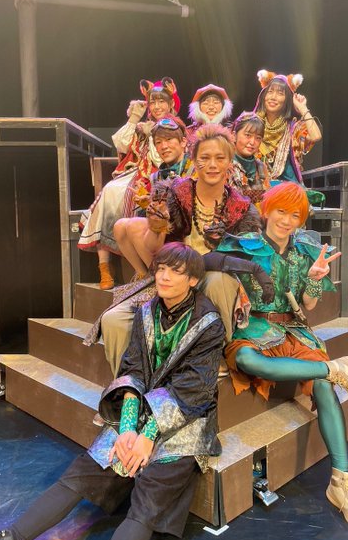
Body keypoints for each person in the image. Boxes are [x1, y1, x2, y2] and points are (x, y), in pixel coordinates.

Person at [0, 244, 225, 540]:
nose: (164, 276)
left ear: (193, 280)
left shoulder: (209, 323)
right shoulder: (146, 312)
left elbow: (194, 390)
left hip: (187, 419)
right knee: (84, 471)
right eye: (160, 269)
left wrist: (147, 436)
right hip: (142, 410)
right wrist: (126, 430)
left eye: (175, 271)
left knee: (151, 496)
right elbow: (132, 372)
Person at [218, 181, 348, 534]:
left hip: (292, 330)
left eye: (296, 215)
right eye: (281, 211)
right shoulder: (242, 246)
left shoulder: (306, 249)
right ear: (266, 211)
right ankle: (335, 368)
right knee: (248, 362)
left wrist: (315, 279)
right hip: (253, 329)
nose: (287, 221)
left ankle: (341, 483)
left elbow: (308, 304)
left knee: (322, 387)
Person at [99, 124, 263, 375]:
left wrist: (220, 246)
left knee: (218, 279)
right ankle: (129, 385)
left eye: (220, 158)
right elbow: (154, 249)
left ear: (230, 162)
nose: (212, 165)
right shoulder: (175, 193)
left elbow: (246, 257)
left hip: (213, 278)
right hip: (173, 275)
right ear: (194, 160)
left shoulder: (242, 207)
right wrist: (156, 228)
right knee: (113, 320)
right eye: (205, 158)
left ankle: (217, 352)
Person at [78, 77, 181, 289]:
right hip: (137, 171)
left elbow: (162, 158)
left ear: (171, 103)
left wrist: (152, 135)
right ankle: (104, 266)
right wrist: (134, 119)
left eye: (161, 101)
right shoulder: (143, 126)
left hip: (158, 174)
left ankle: (147, 273)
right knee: (109, 191)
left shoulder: (174, 127)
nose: (157, 106)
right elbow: (121, 144)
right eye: (153, 102)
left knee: (124, 194)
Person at [114, 117, 193, 278]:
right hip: (165, 230)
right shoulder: (156, 176)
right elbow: (159, 212)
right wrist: (148, 205)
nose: (164, 146)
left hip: (187, 232)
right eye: (158, 142)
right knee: (120, 226)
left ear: (183, 142)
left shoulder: (193, 168)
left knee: (135, 225)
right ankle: (144, 276)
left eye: (169, 139)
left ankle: (157, 277)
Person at [254, 69, 324, 206]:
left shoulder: (292, 129)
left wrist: (303, 108)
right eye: (270, 92)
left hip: (287, 192)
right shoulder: (251, 125)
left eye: (280, 93)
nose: (273, 97)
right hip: (257, 190)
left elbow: (315, 136)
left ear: (287, 100)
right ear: (263, 96)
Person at [226, 111, 270, 205]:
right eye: (247, 135)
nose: (252, 142)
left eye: (258, 138)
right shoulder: (225, 165)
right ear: (234, 136)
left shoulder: (261, 167)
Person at [186, 84, 233, 150]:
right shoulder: (189, 132)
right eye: (206, 103)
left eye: (216, 102)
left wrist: (223, 91)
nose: (211, 107)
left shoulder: (231, 131)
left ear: (223, 107)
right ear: (198, 107)